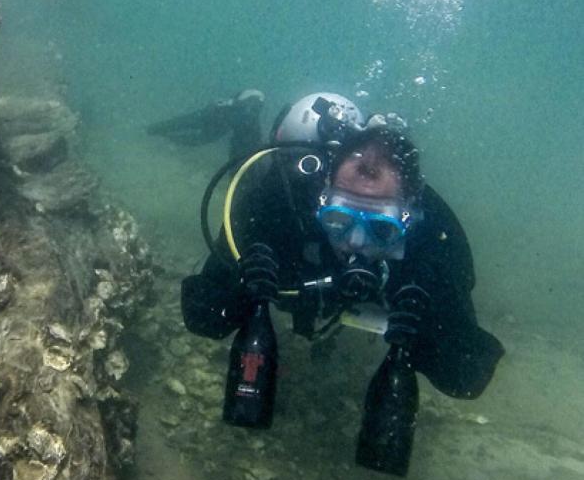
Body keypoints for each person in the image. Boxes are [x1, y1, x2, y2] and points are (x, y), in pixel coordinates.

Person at [154, 91, 504, 400]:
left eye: (382, 229)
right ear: (321, 200)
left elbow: (467, 379)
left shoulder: (434, 241)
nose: (354, 243)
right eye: (339, 220)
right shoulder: (280, 205)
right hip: (283, 206)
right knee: (246, 180)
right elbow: (203, 318)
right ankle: (245, 114)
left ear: (409, 219)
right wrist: (243, 288)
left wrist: (427, 331)